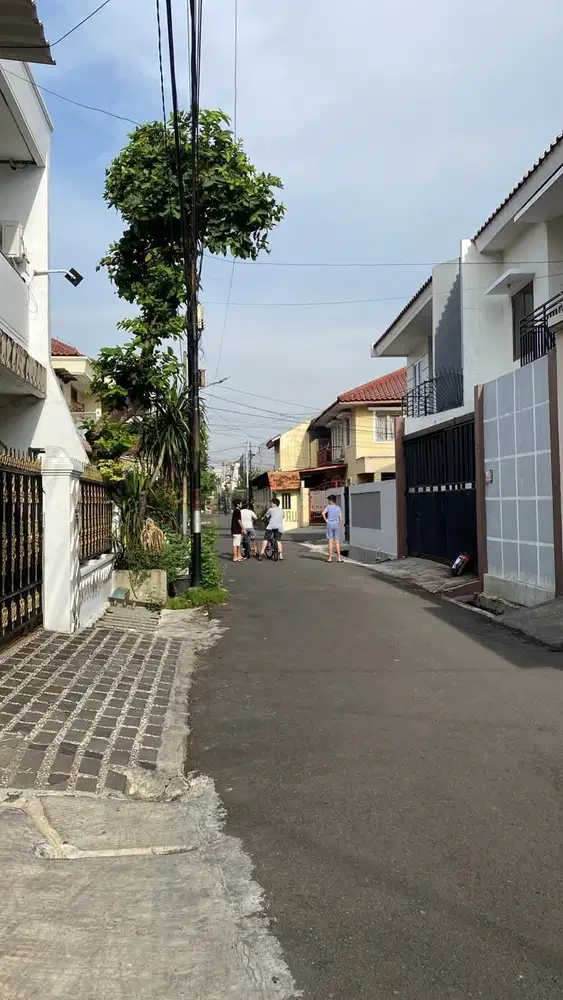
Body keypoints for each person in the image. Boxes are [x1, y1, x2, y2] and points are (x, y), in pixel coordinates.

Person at [322, 494, 343, 563]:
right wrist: (338, 522)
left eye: (328, 500)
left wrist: (326, 520)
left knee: (330, 542)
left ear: (331, 501)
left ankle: (330, 558)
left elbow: (323, 513)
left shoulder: (328, 507)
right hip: (336, 525)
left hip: (330, 525)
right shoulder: (338, 508)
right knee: (337, 542)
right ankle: (339, 558)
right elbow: (340, 518)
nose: (328, 501)